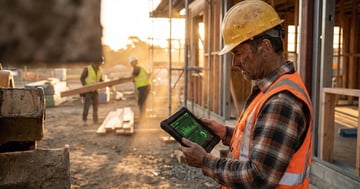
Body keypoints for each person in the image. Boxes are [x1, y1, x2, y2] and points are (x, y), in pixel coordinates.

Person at [179, 0, 313, 188]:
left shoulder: (282, 101)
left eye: (239, 53)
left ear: (265, 47)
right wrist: (224, 132)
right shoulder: (272, 89)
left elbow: (258, 176)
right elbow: (263, 142)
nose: (235, 63)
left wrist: (204, 161)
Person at [80, 60, 104, 126]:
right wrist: (86, 87)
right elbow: (82, 78)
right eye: (98, 64)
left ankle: (95, 120)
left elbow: (100, 80)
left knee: (96, 106)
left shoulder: (100, 70)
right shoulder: (87, 69)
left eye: (100, 64)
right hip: (88, 91)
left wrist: (106, 83)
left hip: (96, 91)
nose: (99, 65)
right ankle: (84, 121)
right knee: (86, 106)